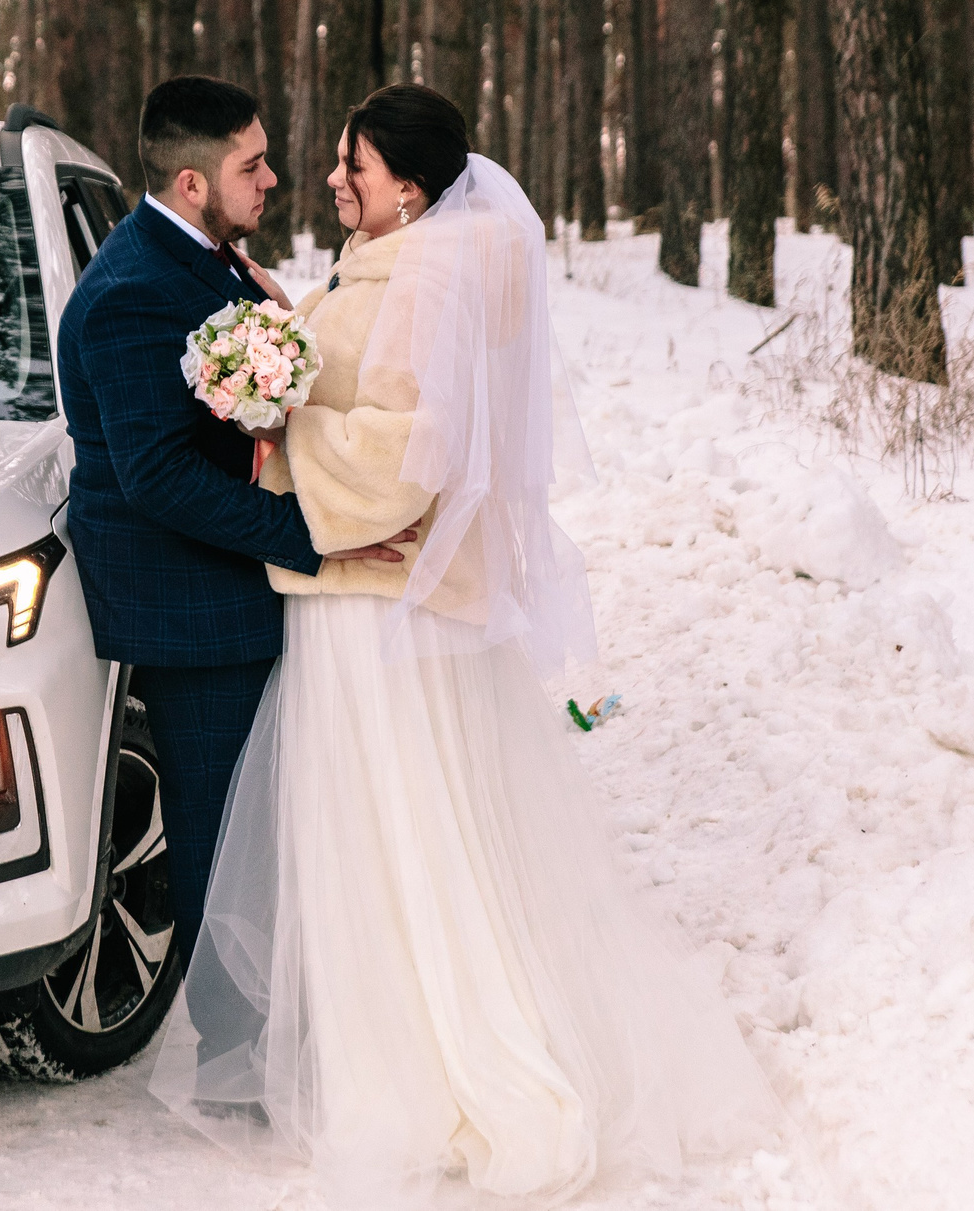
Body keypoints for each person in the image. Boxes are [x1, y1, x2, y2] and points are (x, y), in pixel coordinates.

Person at [149, 84, 781, 1202]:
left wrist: (276, 411)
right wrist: (286, 330)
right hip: (358, 602)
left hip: (367, 604)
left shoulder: (427, 273)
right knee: (385, 831)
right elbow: (374, 378)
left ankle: (429, 1069)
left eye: (354, 164)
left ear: (409, 187)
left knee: (396, 832)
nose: (333, 178)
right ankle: (386, 1049)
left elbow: (414, 448)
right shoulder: (389, 265)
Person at [55, 75, 411, 968]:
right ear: (192, 184)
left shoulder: (200, 256)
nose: (273, 181)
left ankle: (273, 1030)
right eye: (252, 166)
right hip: (193, 613)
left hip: (230, 585)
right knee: (224, 846)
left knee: (270, 832)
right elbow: (159, 479)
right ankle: (231, 1062)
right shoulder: (132, 290)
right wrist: (319, 538)